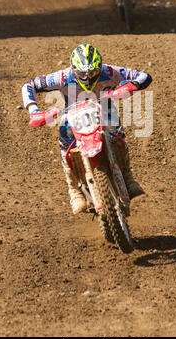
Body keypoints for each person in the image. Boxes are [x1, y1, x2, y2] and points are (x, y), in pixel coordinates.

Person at [22, 43, 152, 216]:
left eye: (92, 72)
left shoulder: (110, 72)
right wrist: (34, 111)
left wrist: (129, 85)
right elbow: (29, 85)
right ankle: (73, 190)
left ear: (100, 67)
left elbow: (144, 76)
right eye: (83, 73)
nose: (88, 77)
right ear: (73, 68)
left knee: (117, 135)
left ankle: (127, 177)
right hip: (72, 114)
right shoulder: (62, 76)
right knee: (66, 144)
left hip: (104, 109)